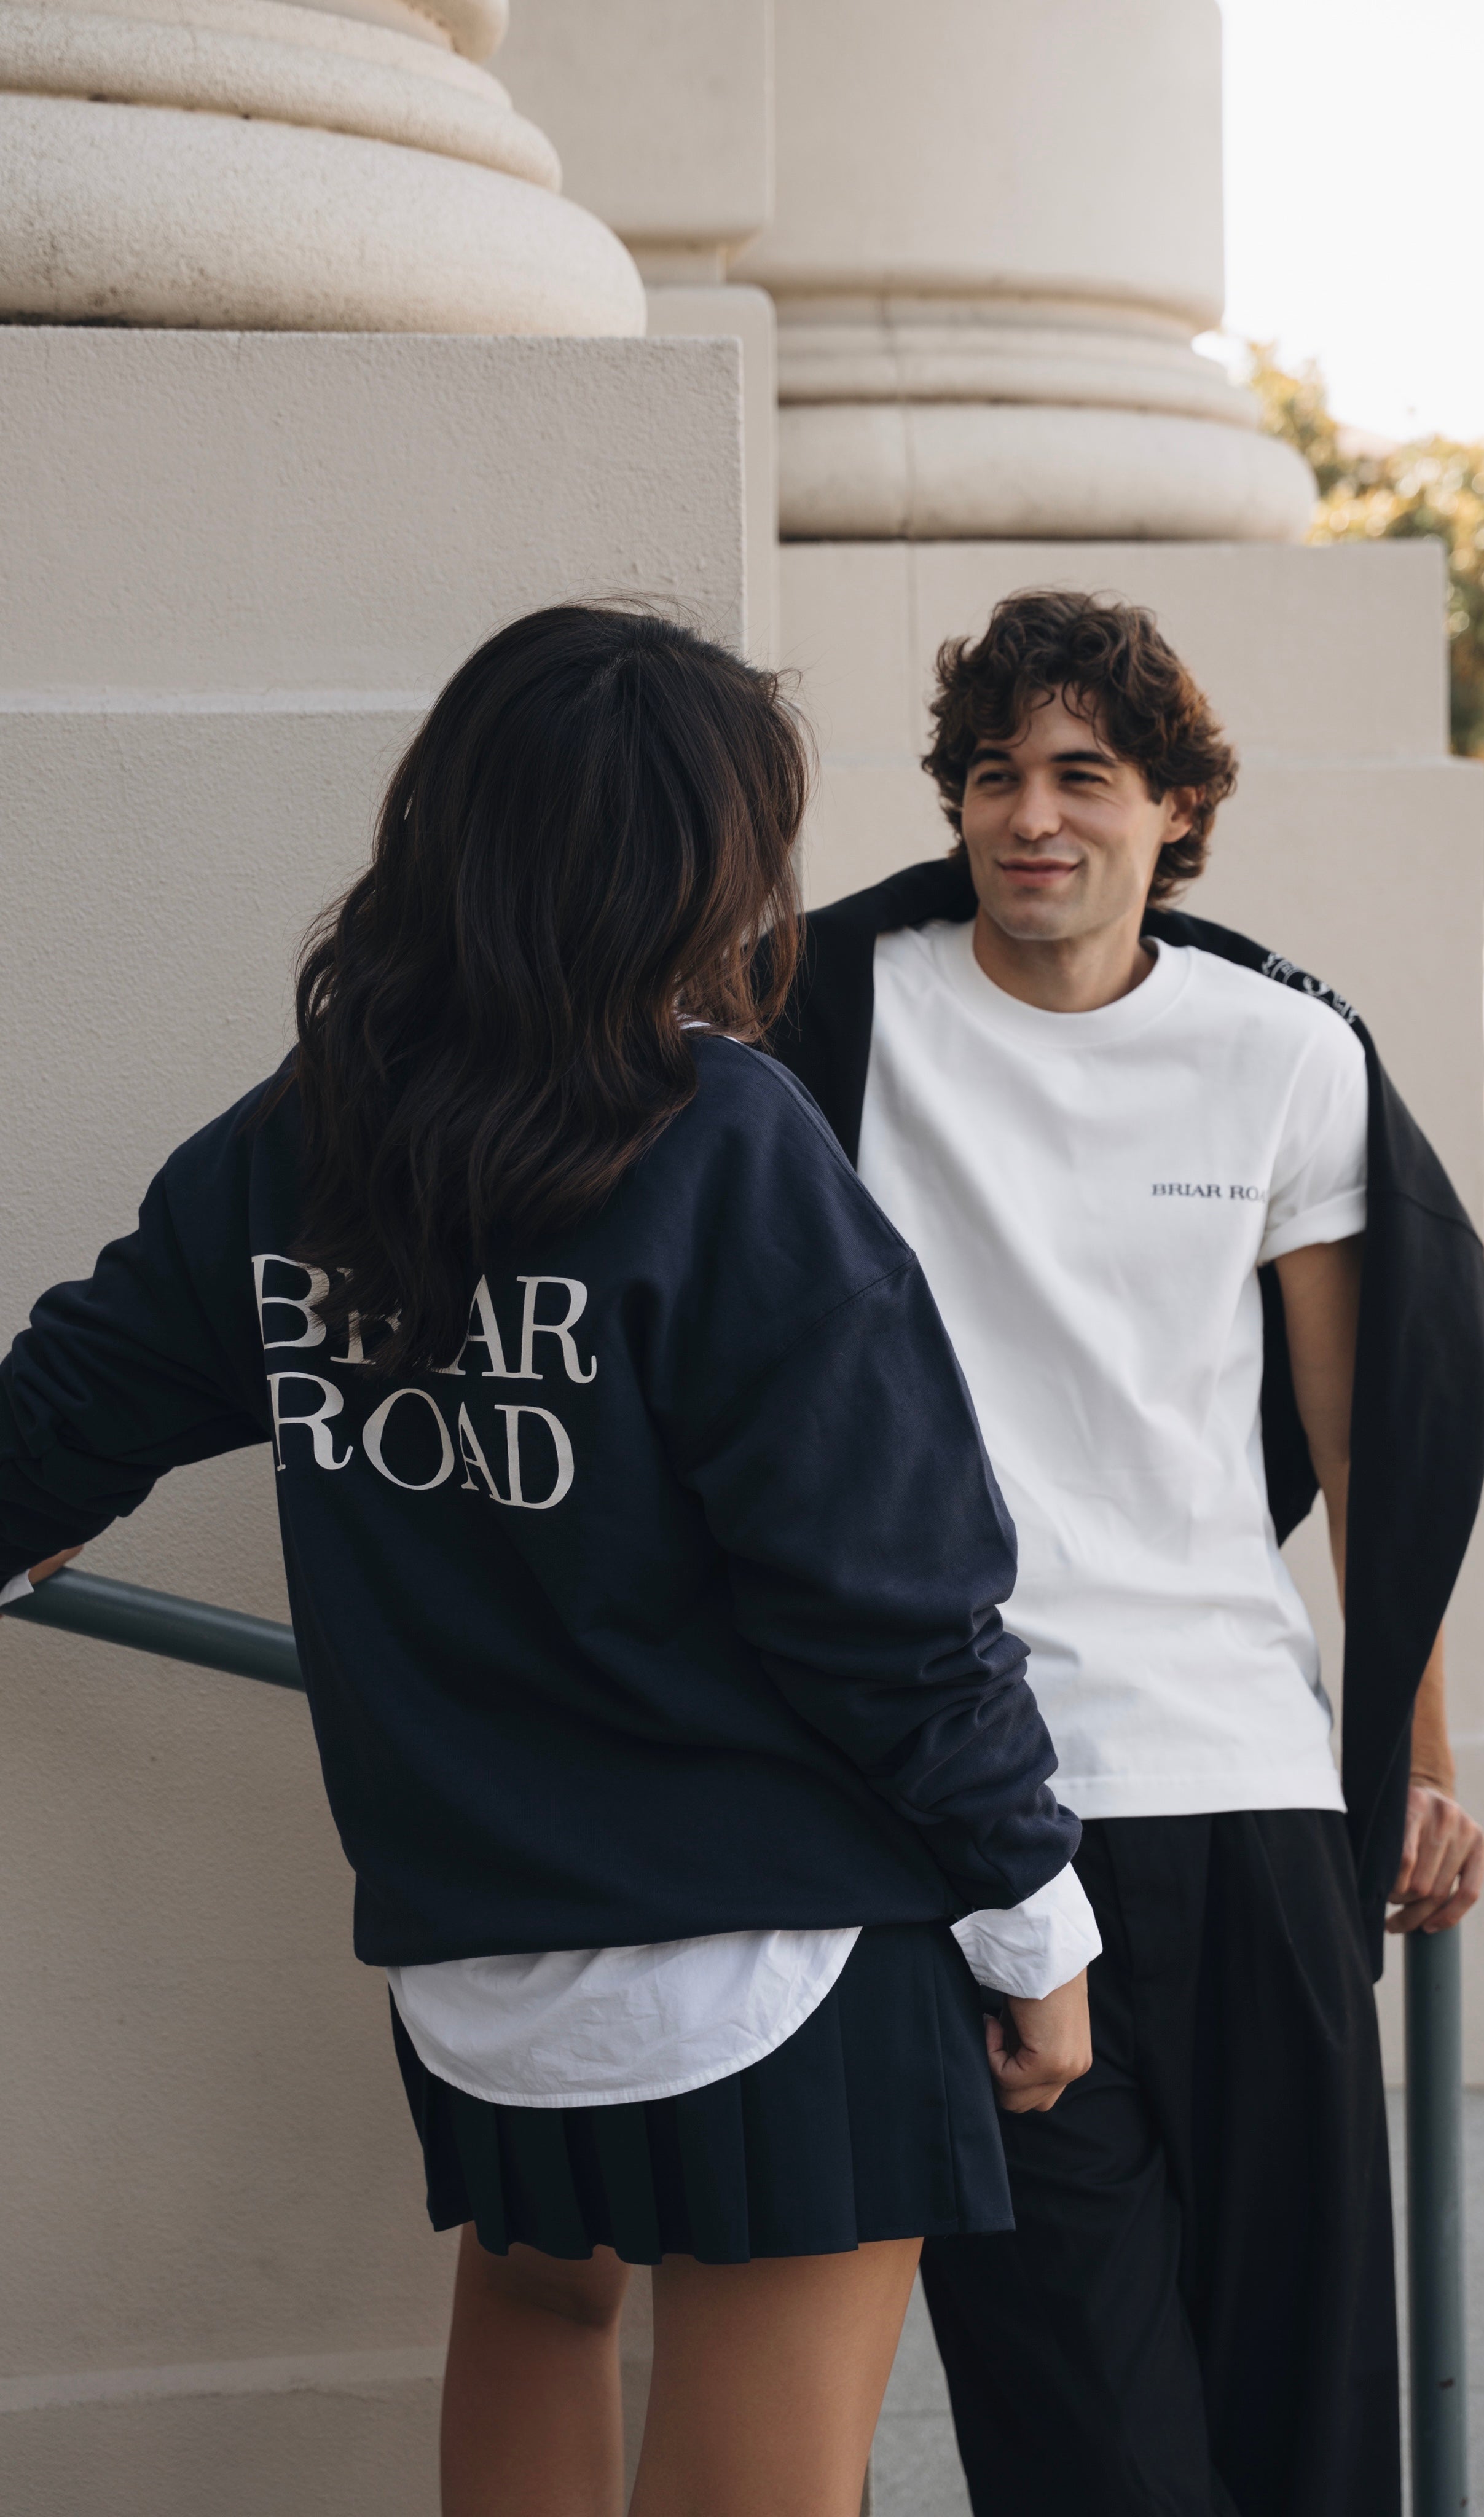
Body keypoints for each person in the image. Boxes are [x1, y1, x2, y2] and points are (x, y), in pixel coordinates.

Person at [0, 604, 1102, 2517]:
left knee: (541, 2325)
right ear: (703, 862)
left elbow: (61, 1412)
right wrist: (1033, 1919)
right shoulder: (723, 1143)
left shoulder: (305, 1140)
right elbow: (888, 1606)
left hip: (483, 1958)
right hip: (774, 1951)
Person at [762, 589, 1484, 2517]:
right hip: (981, 1810)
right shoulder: (834, 1022)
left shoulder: (1278, 1055)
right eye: (992, 775)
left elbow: (1364, 1453)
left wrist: (1408, 1751)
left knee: (1299, 2390)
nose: (1031, 817)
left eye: (1083, 774)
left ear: (1175, 809)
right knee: (1078, 2420)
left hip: (1245, 1786)